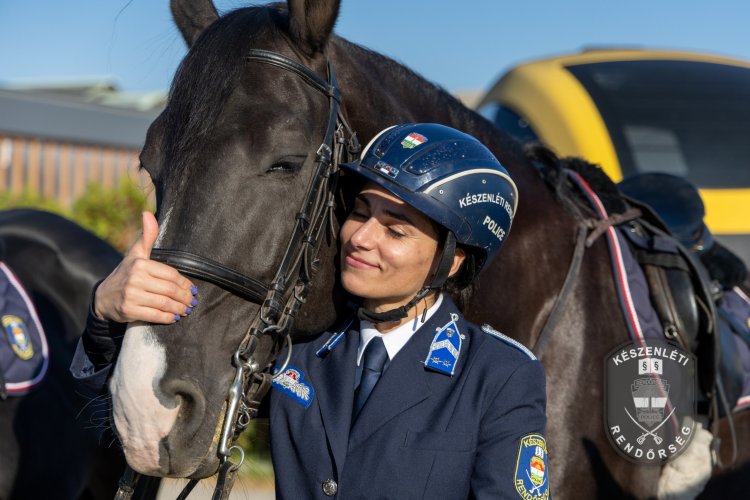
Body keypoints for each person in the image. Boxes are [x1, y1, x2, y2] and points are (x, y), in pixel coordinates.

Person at [71, 123, 549, 499]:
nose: (361, 238)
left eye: (396, 230)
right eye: (361, 212)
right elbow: (140, 406)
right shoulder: (297, 351)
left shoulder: (499, 376)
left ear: (455, 259)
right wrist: (107, 314)